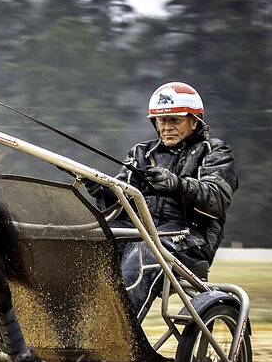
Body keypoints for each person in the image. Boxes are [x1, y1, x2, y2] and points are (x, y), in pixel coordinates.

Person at [85, 81, 238, 320]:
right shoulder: (141, 153)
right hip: (140, 231)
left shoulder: (215, 152)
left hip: (191, 237)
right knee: (87, 241)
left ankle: (116, 335)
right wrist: (98, 187)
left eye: (174, 120)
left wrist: (176, 184)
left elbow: (217, 199)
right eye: (161, 120)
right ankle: (72, 329)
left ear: (194, 121)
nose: (166, 127)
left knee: (144, 252)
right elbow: (120, 202)